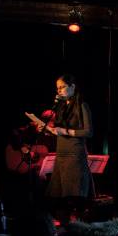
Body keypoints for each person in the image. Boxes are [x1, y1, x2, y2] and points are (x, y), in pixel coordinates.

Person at [31, 74, 93, 223]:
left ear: (72, 87)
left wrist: (65, 131)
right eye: (57, 88)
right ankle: (66, 227)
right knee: (58, 198)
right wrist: (46, 130)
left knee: (74, 196)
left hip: (74, 155)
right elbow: (58, 131)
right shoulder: (61, 107)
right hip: (61, 154)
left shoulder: (82, 105)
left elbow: (88, 132)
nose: (59, 90)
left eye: (62, 87)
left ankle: (80, 227)